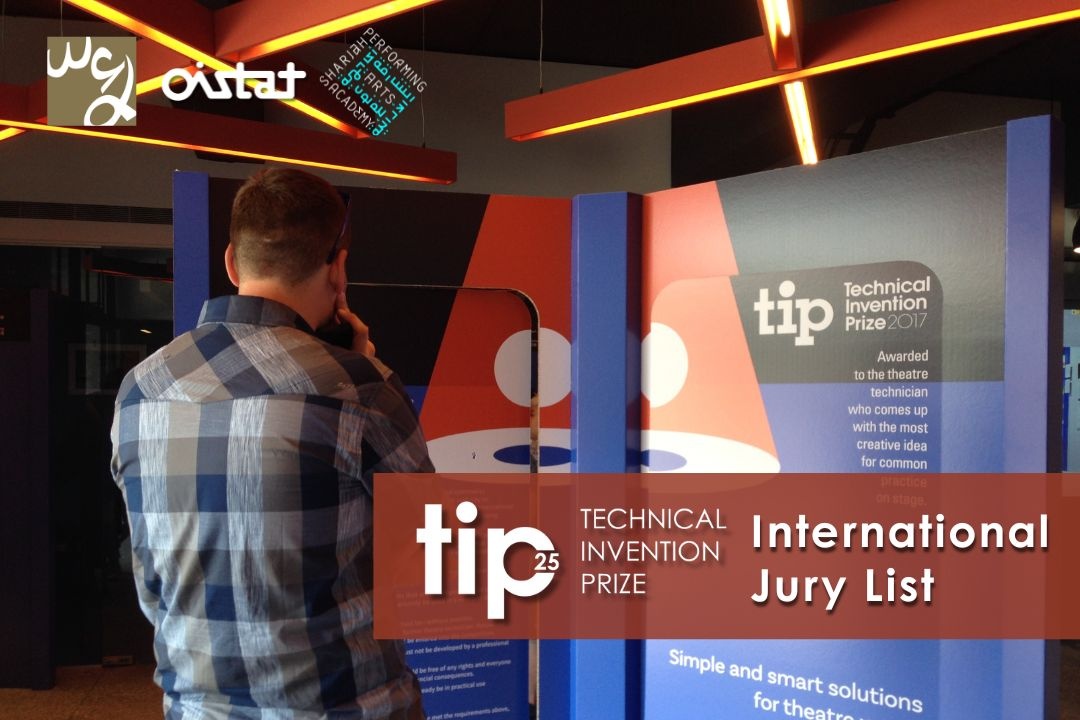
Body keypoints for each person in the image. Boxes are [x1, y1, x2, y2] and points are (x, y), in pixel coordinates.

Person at [110, 167, 433, 719]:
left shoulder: (140, 389)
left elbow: (150, 570)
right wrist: (364, 368)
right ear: (338, 267)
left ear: (232, 262)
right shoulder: (359, 388)